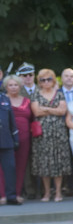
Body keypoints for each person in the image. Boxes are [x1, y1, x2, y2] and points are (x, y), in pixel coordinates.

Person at [30, 69, 72, 202]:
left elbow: (62, 111)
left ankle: (58, 192)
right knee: (44, 163)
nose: (46, 82)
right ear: (39, 82)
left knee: (58, 162)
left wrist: (46, 109)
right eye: (43, 80)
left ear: (53, 80)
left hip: (58, 133)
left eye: (48, 79)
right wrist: (54, 110)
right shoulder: (36, 95)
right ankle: (47, 193)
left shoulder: (59, 94)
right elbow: (36, 112)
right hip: (42, 134)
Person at [2, 75, 31, 203]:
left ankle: (14, 194)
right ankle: (2, 195)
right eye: (10, 85)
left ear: (20, 86)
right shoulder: (3, 99)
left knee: (16, 166)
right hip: (4, 136)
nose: (13, 87)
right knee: (3, 168)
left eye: (16, 85)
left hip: (21, 137)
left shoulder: (25, 100)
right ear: (5, 87)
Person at [0, 81, 18, 205]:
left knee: (10, 169)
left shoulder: (5, 99)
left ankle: (11, 196)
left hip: (6, 141)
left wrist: (15, 139)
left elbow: (12, 122)